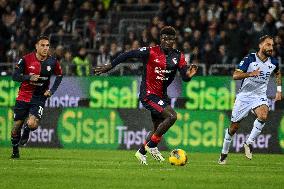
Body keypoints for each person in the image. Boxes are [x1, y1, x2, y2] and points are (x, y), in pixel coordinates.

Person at [94, 26, 198, 165]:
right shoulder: (150, 51)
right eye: (165, 38)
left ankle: (142, 152)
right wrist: (110, 65)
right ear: (161, 39)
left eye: (171, 39)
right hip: (149, 95)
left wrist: (189, 76)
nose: (168, 41)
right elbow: (128, 54)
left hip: (162, 95)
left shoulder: (178, 56)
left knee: (157, 129)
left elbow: (184, 76)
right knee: (172, 116)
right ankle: (152, 146)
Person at [218, 35, 282, 164]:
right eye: (268, 44)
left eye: (272, 45)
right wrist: (250, 73)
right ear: (260, 46)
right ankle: (224, 154)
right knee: (233, 128)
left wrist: (279, 90)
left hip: (259, 96)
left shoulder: (273, 62)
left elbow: (278, 73)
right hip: (244, 96)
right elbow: (235, 75)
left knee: (263, 115)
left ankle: (248, 143)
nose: (271, 48)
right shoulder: (250, 59)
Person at [11, 35, 63, 158]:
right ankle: (15, 151)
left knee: (32, 124)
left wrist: (52, 90)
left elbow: (60, 75)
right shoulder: (25, 59)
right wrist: (28, 77)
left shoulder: (53, 61)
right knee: (16, 127)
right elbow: (15, 76)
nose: (46, 48)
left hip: (39, 97)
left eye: (47, 45)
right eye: (43, 45)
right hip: (23, 96)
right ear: (36, 46)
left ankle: (27, 129)